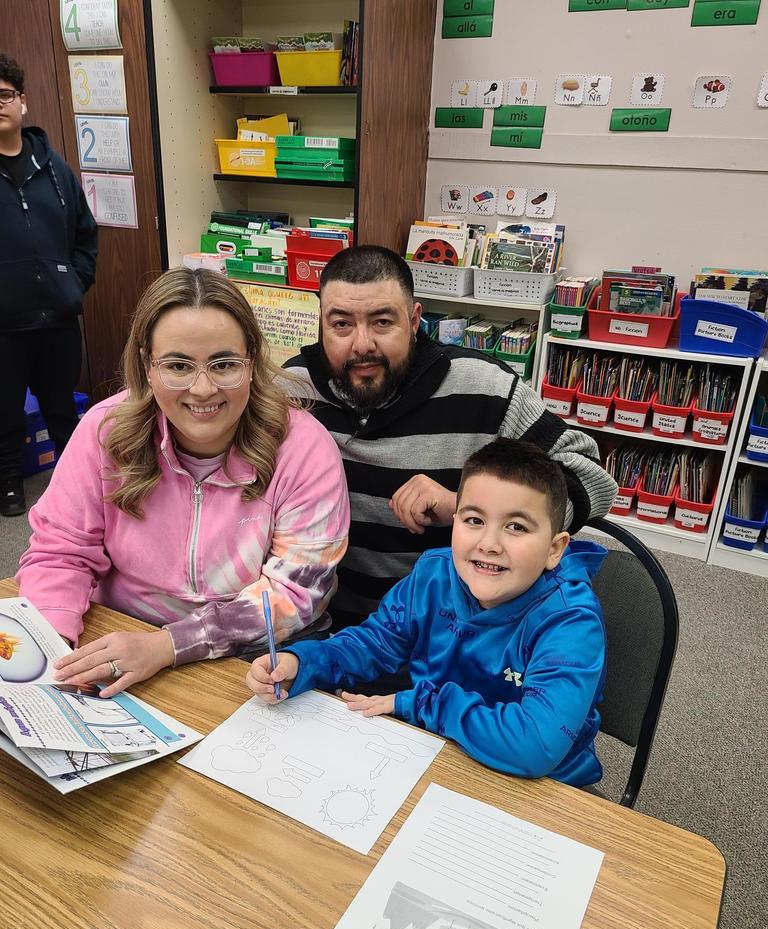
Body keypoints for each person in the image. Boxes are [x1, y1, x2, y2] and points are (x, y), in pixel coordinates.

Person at [17, 267, 349, 696]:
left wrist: (167, 645)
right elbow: (60, 551)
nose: (203, 389)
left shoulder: (304, 448)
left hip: (258, 654)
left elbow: (295, 594)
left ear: (252, 362)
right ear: (147, 366)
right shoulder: (105, 430)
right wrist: (53, 644)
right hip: (124, 631)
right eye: (177, 365)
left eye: (224, 364)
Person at [284, 245, 617, 632]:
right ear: (321, 323)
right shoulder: (291, 391)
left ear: (413, 321)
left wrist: (468, 506)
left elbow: (593, 477)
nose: (362, 345)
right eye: (341, 324)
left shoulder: (486, 389)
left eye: (382, 322)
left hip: (452, 640)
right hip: (320, 631)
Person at [246, 438, 608, 787]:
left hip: (543, 790)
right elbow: (374, 643)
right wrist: (302, 664)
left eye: (516, 527)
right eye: (474, 520)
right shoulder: (434, 575)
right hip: (437, 754)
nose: (489, 544)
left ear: (554, 549)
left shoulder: (570, 622)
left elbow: (535, 746)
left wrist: (419, 702)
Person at [0, 52, 98, 517]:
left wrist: (74, 284)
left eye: (4, 95)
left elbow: (85, 232)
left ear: (22, 101)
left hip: (57, 315)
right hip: (3, 322)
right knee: (4, 413)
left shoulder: (54, 168)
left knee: (62, 407)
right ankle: (9, 484)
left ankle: (73, 482)